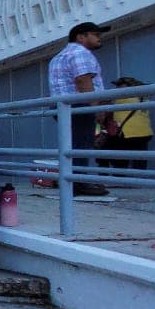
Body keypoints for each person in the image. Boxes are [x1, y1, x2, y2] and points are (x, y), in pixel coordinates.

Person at [47, 21, 111, 196]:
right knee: (81, 145)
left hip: (62, 106)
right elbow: (83, 81)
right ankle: (78, 183)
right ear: (81, 37)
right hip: (79, 105)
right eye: (95, 35)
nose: (99, 38)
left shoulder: (59, 56)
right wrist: (96, 109)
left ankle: (72, 182)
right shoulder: (81, 53)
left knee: (71, 145)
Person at [107, 77, 153, 171]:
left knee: (120, 159)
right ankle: (139, 180)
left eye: (119, 85)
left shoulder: (122, 99)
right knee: (140, 159)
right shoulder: (143, 97)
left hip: (128, 132)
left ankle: (119, 179)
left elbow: (109, 104)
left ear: (128, 86)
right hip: (144, 132)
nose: (117, 88)